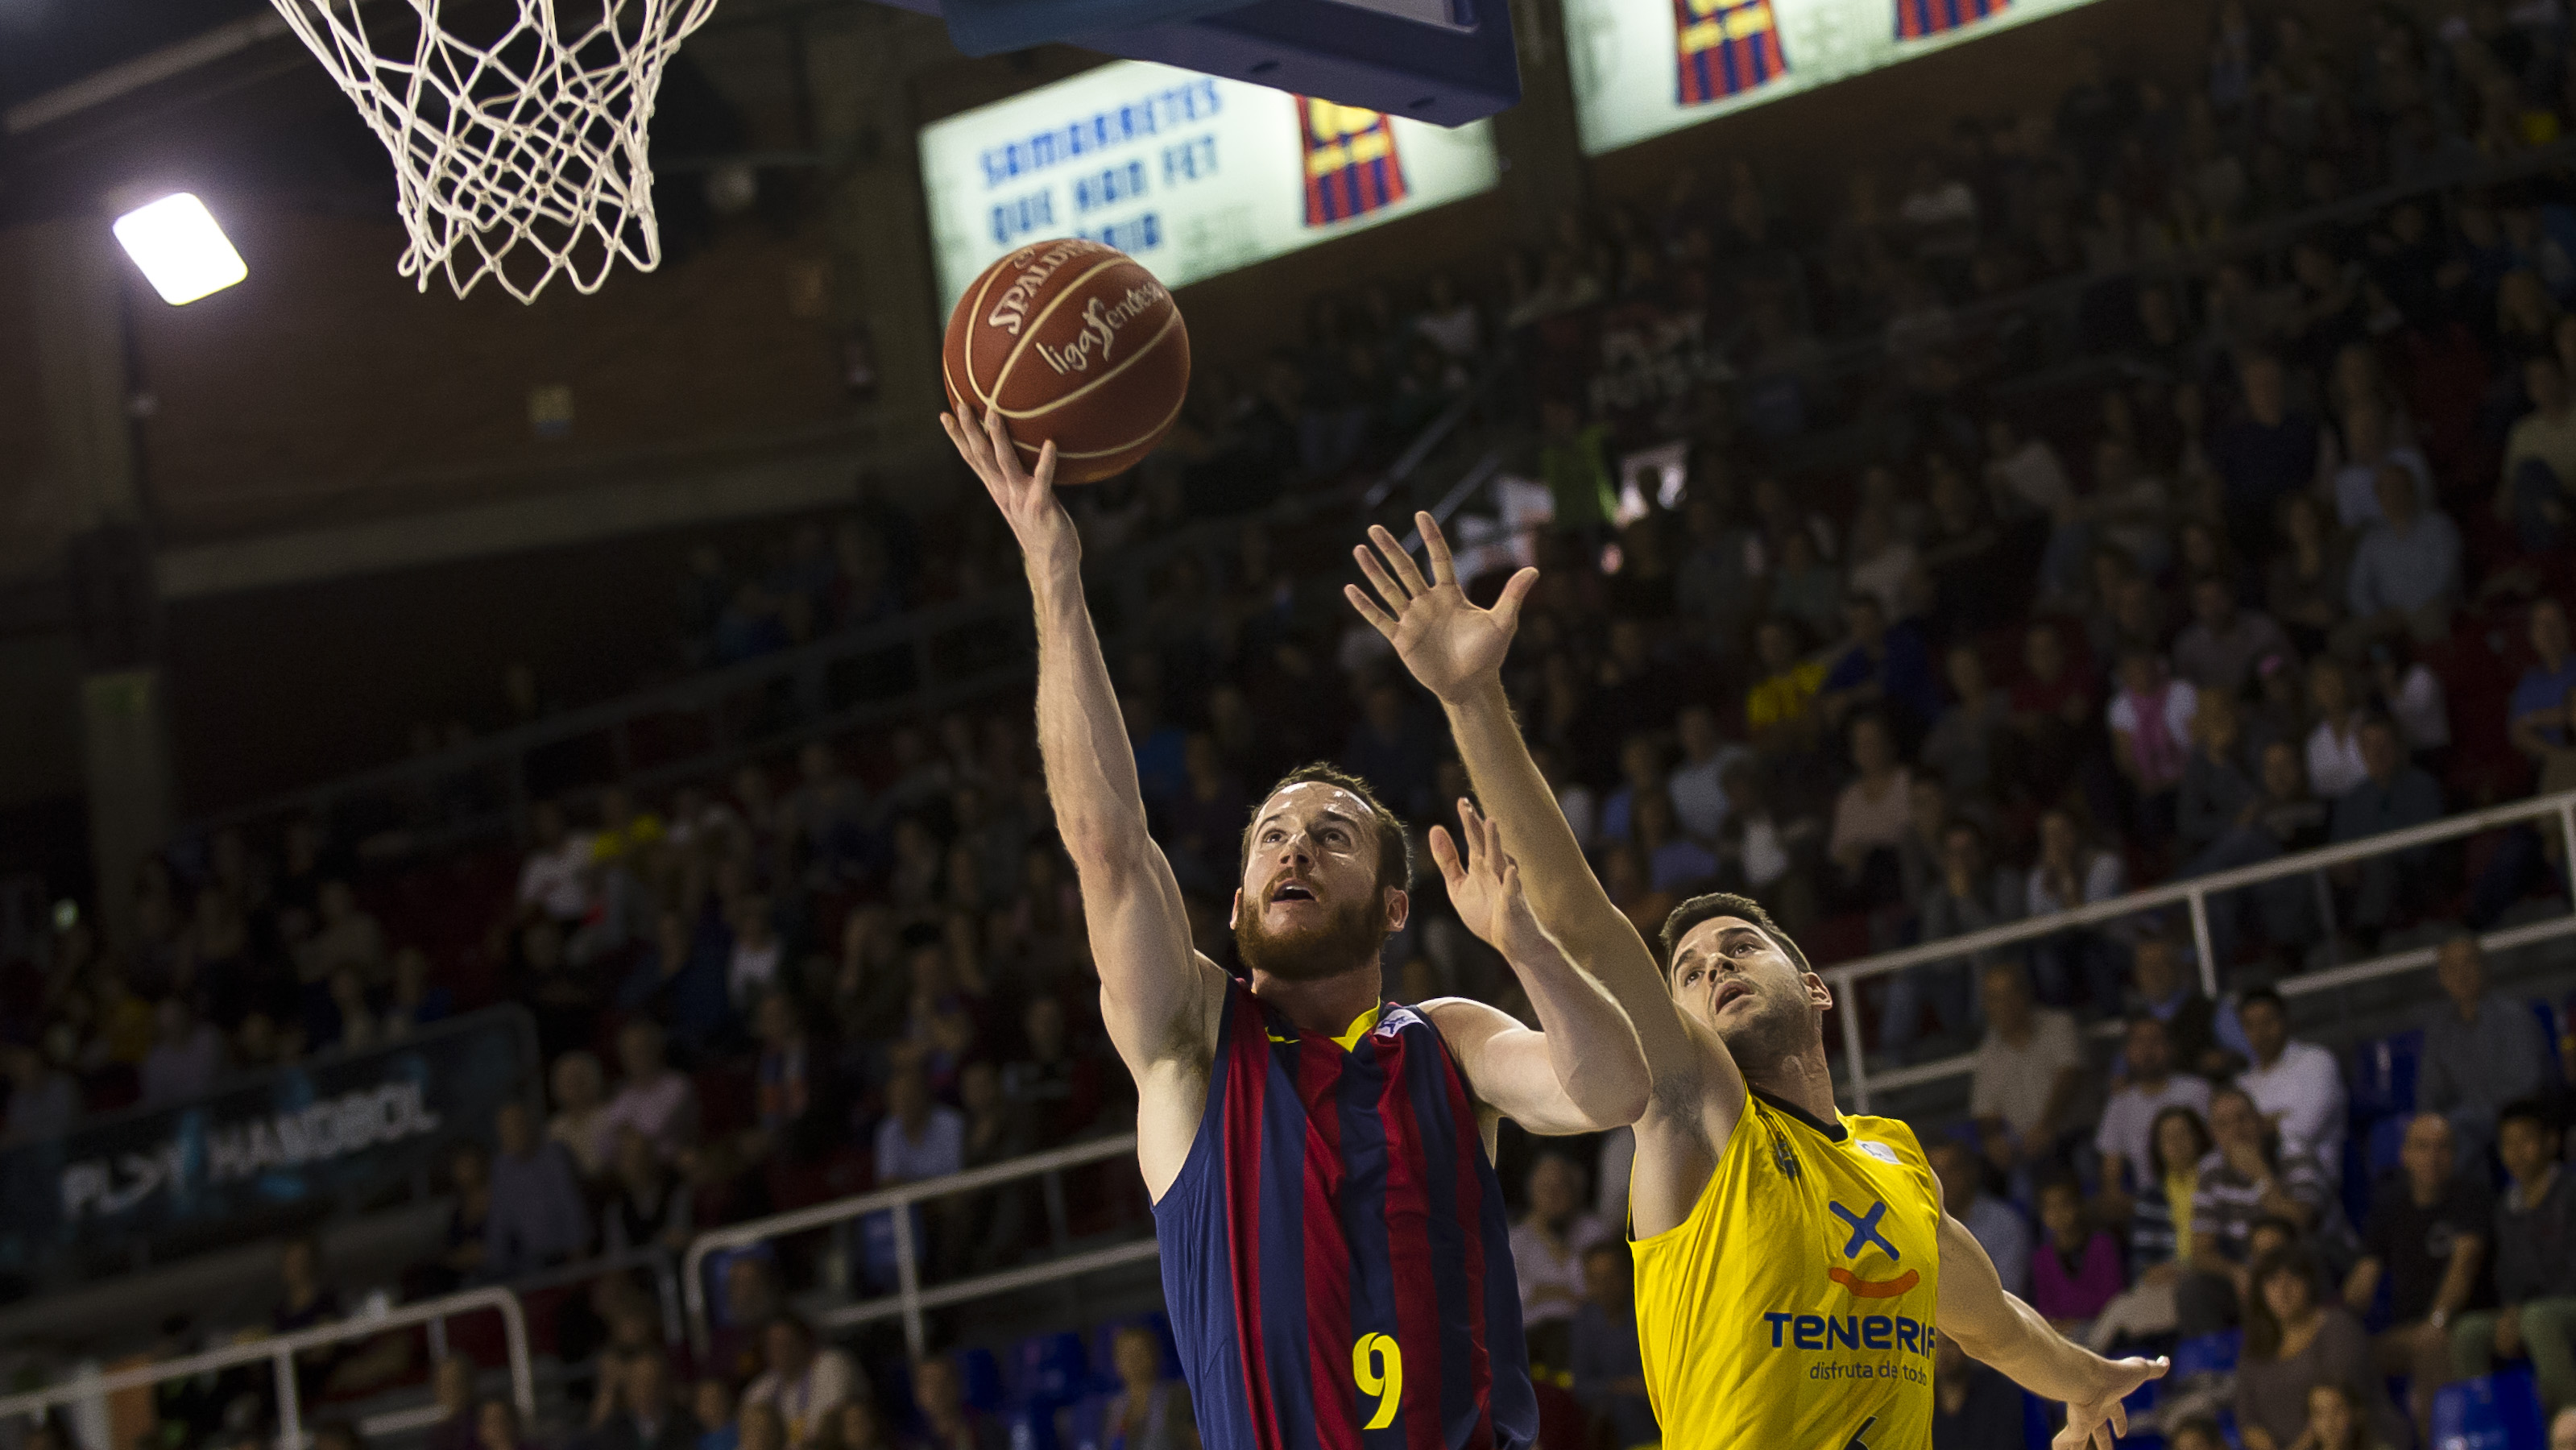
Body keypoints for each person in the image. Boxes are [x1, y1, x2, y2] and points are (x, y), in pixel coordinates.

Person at [1349, 512, 2165, 1448]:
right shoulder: (1696, 1103)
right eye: (1689, 972)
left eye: (1738, 946)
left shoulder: (1894, 1165)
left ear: (1815, 986)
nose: (1712, 968)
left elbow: (1995, 1325)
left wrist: (2089, 1378)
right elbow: (1581, 917)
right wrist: (1472, 699)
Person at [946, 411, 1652, 1449]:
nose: (1296, 849)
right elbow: (1106, 844)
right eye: (1272, 835)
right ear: (1232, 907)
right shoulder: (1192, 1040)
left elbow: (1614, 1089)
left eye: (1333, 836)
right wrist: (1054, 576)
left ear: (1394, 906)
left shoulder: (1447, 1040)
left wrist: (1530, 949)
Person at [2344, 1113, 2491, 1439]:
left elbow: (2463, 1264)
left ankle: (2439, 1443)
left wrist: (2437, 1320)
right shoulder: (2389, 1206)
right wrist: (2337, 1324)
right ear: (2404, 1155)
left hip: (2457, 1325)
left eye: (2442, 1148)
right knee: (2343, 1354)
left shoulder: (2472, 1198)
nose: (2432, 1158)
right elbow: (2365, 1275)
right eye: (2422, 1147)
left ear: (2454, 1156)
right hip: (2404, 1332)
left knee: (2432, 1345)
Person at [2450, 1100, 2576, 1414]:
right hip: (2529, 1309)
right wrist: (2509, 1311)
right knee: (2468, 1332)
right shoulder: (2506, 1207)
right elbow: (2508, 1275)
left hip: (2564, 1304)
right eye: (2508, 1144)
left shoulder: (2571, 1191)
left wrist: (2522, 1311)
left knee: (2539, 1320)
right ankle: (2489, 1429)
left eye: (2526, 1141)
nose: (2516, 1153)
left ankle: (2566, 1425)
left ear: (2551, 1142)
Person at [2181, 1086, 2341, 1334]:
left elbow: (2303, 1222)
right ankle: (2214, 1369)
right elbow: (2201, 1251)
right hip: (2249, 1270)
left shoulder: (2292, 1151)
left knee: (2309, 1255)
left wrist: (2260, 1174)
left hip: (2302, 1259)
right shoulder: (2211, 1170)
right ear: (2214, 1134)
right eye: (2224, 1125)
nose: (2236, 1130)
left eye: (2242, 1119)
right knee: (2192, 1288)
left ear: (2260, 1122)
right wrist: (2235, 1272)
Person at [2233, 1245, 2404, 1450]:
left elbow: (2337, 1405)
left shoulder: (2338, 1326)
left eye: (2292, 1279)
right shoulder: (2255, 1347)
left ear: (2310, 1283)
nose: (2283, 1291)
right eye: (2272, 1282)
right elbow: (2248, 1420)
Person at [2418, 931, 2553, 1160]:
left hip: (2516, 1120)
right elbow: (2429, 1097)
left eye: (2468, 963)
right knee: (2431, 1142)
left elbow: (2527, 1086)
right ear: (2442, 976)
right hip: (2464, 1129)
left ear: (2485, 966)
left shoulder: (2514, 1017)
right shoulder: (2439, 1033)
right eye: (2451, 967)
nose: (2461, 975)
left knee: (2459, 1135)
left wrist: (2474, 1117)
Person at [2327, 717, 2445, 937]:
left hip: (2413, 881)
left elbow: (2423, 850)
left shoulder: (2423, 787)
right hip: (2361, 888)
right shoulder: (2351, 801)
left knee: (2380, 864)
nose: (2377, 753)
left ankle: (2369, 936)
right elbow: (2339, 854)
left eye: (2384, 745)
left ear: (2398, 747)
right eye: (2369, 747)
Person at [1969, 962, 2085, 1179]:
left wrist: (2046, 1127)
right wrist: (1993, 1139)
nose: (2005, 1005)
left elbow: (2069, 1077)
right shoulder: (1987, 1054)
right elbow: (1986, 1113)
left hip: (2075, 1135)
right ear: (1986, 1005)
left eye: (2010, 994)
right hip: (2026, 1149)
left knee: (2084, 1162)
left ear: (2026, 994)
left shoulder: (2060, 1025)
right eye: (1995, 998)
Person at [2095, 1016, 2213, 1213]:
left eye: (2155, 1041)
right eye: (2139, 1041)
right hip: (2150, 1201)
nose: (2147, 1050)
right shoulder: (2120, 1104)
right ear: (2127, 1052)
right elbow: (2111, 1176)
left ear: (2171, 1048)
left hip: (2202, 1194)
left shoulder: (2198, 1091)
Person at [2343, 464, 2463, 650]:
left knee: (2432, 619)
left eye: (2398, 488)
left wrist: (2407, 611)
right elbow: (2357, 588)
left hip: (2429, 607)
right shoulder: (2372, 540)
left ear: (2411, 490)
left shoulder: (2437, 526)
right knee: (2344, 639)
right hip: (2387, 616)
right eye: (2387, 490)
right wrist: (2376, 614)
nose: (2393, 496)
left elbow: (2446, 576)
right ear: (2379, 497)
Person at [1508, 1153, 1611, 1369]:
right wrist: (1564, 1292)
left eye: (1560, 1188)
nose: (1552, 1196)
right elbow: (1511, 1295)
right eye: (1545, 1188)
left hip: (1579, 1332)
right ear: (1533, 1194)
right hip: (1527, 1334)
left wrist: (1553, 1244)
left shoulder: (1594, 1232)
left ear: (1576, 1192)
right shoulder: (1516, 1238)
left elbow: (1595, 1291)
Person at [2234, 988, 2347, 1176]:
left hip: (2313, 1177)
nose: (2261, 1033)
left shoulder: (2316, 1061)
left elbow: (2305, 1127)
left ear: (2286, 1019)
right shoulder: (2242, 1083)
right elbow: (2234, 1141)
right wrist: (2279, 1118)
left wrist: (2256, 1125)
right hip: (2257, 1184)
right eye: (2251, 1025)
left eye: (2268, 1021)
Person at [484, 1100, 590, 1280]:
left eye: (517, 1124)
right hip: (521, 1264)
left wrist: (579, 1259)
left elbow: (572, 1208)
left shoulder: (554, 1156)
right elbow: (499, 1222)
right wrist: (493, 1264)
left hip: (559, 1258)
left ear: (531, 1124)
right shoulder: (501, 1169)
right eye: (505, 1128)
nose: (513, 1132)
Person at [1568, 1244, 1655, 1450]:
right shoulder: (1584, 1321)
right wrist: (1620, 1386)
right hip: (1610, 1407)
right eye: (1596, 1279)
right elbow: (1581, 1386)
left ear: (1627, 1275)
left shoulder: (1646, 1312)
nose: (1604, 1286)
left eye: (1611, 1276)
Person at [1062, 1325, 1199, 1450]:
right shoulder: (1112, 1408)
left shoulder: (1179, 1398)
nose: (1134, 1360)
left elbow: (1197, 1443)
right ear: (1116, 1363)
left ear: (1154, 1355)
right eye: (1126, 1355)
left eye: (1140, 1352)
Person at [741, 1316, 858, 1449]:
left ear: (804, 1340)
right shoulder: (761, 1387)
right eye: (773, 1344)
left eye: (787, 1342)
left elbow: (830, 1428)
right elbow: (748, 1436)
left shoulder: (832, 1364)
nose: (780, 1350)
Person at [598, 1019, 699, 1163]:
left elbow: (654, 1128)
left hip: (668, 1162)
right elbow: (604, 1142)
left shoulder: (676, 1085)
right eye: (630, 1051)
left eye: (642, 1049)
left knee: (635, 1146)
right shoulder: (621, 1091)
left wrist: (624, 1131)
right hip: (625, 1161)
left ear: (657, 1050)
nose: (636, 1057)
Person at [2031, 1176, 2124, 1333]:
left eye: (2064, 1205)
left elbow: (2114, 1298)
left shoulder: (2101, 1244)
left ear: (2079, 1205)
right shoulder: (2042, 1258)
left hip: (2104, 1327)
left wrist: (2078, 1323)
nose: (2058, 1213)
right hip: (2061, 1334)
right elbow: (2045, 1309)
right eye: (2050, 1207)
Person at [1930, 1328, 2025, 1450]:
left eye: (1950, 1343)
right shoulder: (1919, 1397)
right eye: (1935, 1343)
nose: (1941, 1353)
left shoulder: (1999, 1391)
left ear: (1965, 1345)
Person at [582, 1351, 698, 1450]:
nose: (645, 1391)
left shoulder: (685, 1428)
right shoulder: (616, 1432)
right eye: (638, 1384)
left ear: (664, 1385)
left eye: (651, 1382)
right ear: (628, 1391)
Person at [909, 1353, 1008, 1450]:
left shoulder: (986, 1430)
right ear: (917, 1391)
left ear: (958, 1385)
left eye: (944, 1381)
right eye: (929, 1383)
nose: (937, 1391)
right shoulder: (912, 1440)